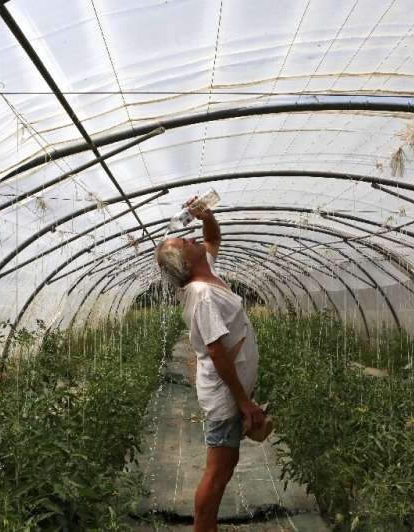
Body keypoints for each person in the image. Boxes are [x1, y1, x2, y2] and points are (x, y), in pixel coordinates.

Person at [155, 196, 267, 532]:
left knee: (226, 464)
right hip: (225, 398)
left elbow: (213, 237)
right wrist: (244, 402)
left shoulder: (207, 271)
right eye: (185, 242)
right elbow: (217, 352)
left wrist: (205, 215)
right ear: (184, 263)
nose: (192, 239)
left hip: (231, 394)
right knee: (217, 473)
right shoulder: (202, 294)